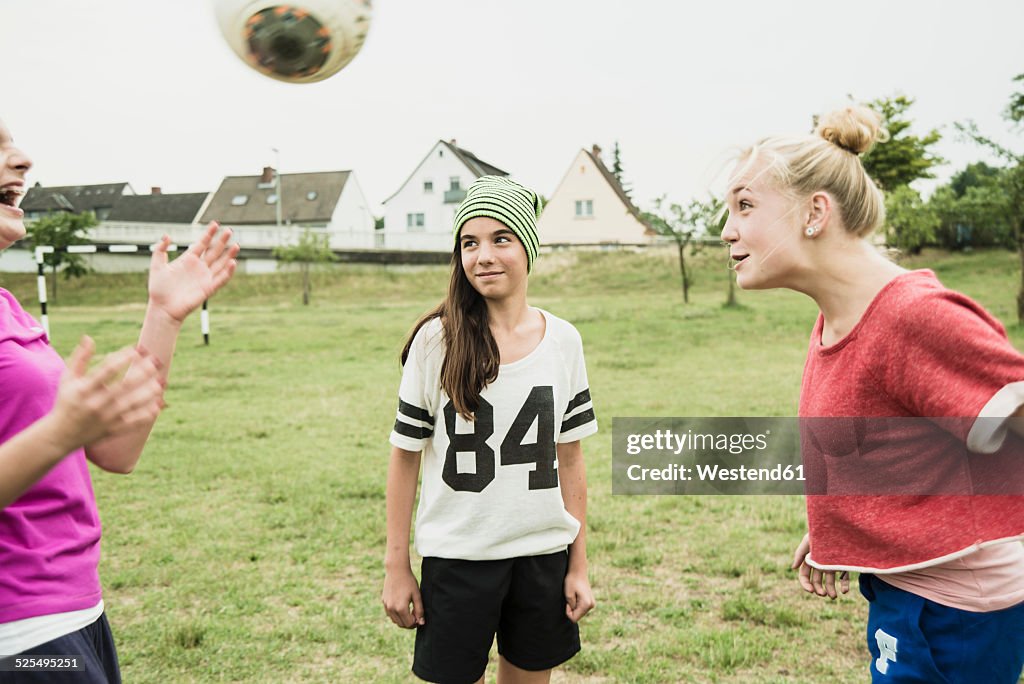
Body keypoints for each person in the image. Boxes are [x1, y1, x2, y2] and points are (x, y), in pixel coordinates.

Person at [720, 105, 1024, 683]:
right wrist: (849, 517)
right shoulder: (837, 317)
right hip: (906, 597)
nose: (727, 229)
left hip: (956, 615)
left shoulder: (913, 317)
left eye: (745, 205)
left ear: (815, 212)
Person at [0, 118, 239, 682]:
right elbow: (64, 436)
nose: (23, 159)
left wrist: (163, 316)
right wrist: (60, 431)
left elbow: (117, 450)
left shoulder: (8, 308)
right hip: (19, 638)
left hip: (74, 612)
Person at [381, 176, 598, 684]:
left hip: (541, 556)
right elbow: (405, 457)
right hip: (459, 558)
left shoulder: (564, 341)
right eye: (469, 243)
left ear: (529, 246)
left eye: (501, 238)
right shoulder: (435, 342)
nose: (484, 256)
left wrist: (578, 563)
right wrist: (396, 567)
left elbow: (570, 459)